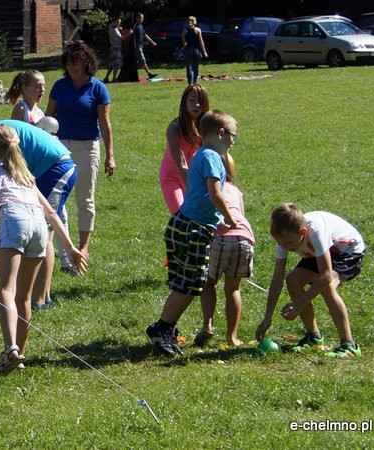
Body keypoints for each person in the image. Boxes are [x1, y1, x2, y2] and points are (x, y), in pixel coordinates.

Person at [0, 124, 87, 375]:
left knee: (6, 290)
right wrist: (71, 247)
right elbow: (51, 213)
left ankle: (10, 348)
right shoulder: (26, 176)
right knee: (24, 297)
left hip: (14, 220)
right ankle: (19, 354)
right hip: (39, 228)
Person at [0, 119, 76, 309]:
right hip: (57, 163)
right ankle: (38, 299)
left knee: (46, 234)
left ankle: (41, 299)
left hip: (54, 167)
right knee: (44, 229)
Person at [145, 109, 237, 356]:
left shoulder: (202, 154)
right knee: (189, 285)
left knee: (186, 285)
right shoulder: (212, 158)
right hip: (192, 228)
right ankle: (161, 328)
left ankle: (166, 327)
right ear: (220, 133)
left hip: (185, 224)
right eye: (232, 136)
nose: (232, 142)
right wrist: (229, 219)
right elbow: (215, 193)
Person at [255, 203, 365, 358]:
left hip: (347, 250)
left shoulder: (316, 231)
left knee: (327, 287)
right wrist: (267, 318)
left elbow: (326, 275)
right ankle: (314, 338)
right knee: (293, 279)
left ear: (303, 232)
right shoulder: (284, 239)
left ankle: (350, 346)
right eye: (280, 243)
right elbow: (277, 279)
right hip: (319, 252)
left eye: (288, 243)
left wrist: (299, 304)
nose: (284, 247)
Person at [46, 41, 114, 261]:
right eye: (68, 63)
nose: (71, 67)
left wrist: (110, 156)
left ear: (87, 63)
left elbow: (105, 124)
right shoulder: (59, 86)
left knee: (85, 198)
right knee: (55, 197)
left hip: (87, 147)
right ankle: (57, 245)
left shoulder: (98, 88)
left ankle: (83, 247)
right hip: (59, 147)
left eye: (75, 62)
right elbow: (48, 118)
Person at [195, 153, 254, 347]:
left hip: (220, 237)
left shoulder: (210, 188)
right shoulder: (236, 190)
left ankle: (208, 325)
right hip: (244, 237)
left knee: (209, 283)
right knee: (233, 289)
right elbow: (241, 215)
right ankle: (232, 336)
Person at [159, 84, 210, 214]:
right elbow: (181, 164)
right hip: (172, 177)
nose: (197, 105)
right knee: (181, 214)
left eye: (200, 101)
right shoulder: (175, 127)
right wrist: (195, 191)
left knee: (198, 215)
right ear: (184, 103)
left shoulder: (207, 127)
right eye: (192, 100)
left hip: (195, 176)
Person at [182, 16, 208, 85]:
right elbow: (201, 42)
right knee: (196, 67)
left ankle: (190, 83)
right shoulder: (198, 30)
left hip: (188, 50)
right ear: (194, 22)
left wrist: (185, 46)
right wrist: (204, 52)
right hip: (197, 51)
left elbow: (184, 43)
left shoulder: (185, 30)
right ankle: (195, 82)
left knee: (189, 68)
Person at [133, 13, 158, 79]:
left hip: (140, 46)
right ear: (137, 18)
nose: (142, 19)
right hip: (137, 46)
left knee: (137, 61)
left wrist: (152, 41)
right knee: (142, 60)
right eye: (140, 18)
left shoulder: (141, 26)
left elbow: (145, 35)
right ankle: (149, 73)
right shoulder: (135, 26)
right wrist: (134, 47)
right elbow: (132, 37)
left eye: (142, 18)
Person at [102, 16, 123, 83]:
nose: (119, 24)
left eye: (119, 22)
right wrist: (129, 33)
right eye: (118, 22)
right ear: (114, 21)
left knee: (111, 64)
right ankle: (114, 78)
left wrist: (118, 28)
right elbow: (121, 38)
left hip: (112, 47)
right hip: (116, 48)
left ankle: (106, 78)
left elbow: (114, 26)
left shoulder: (111, 26)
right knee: (116, 64)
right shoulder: (114, 30)